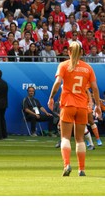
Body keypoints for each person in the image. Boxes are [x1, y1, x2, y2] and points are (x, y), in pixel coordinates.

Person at [48, 42, 102, 176]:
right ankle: (82, 169)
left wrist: (51, 97)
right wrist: (98, 106)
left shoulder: (64, 65)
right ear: (82, 52)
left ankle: (67, 165)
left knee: (65, 138)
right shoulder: (88, 68)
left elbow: (57, 83)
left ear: (69, 52)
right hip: (82, 106)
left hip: (68, 105)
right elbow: (94, 88)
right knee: (80, 139)